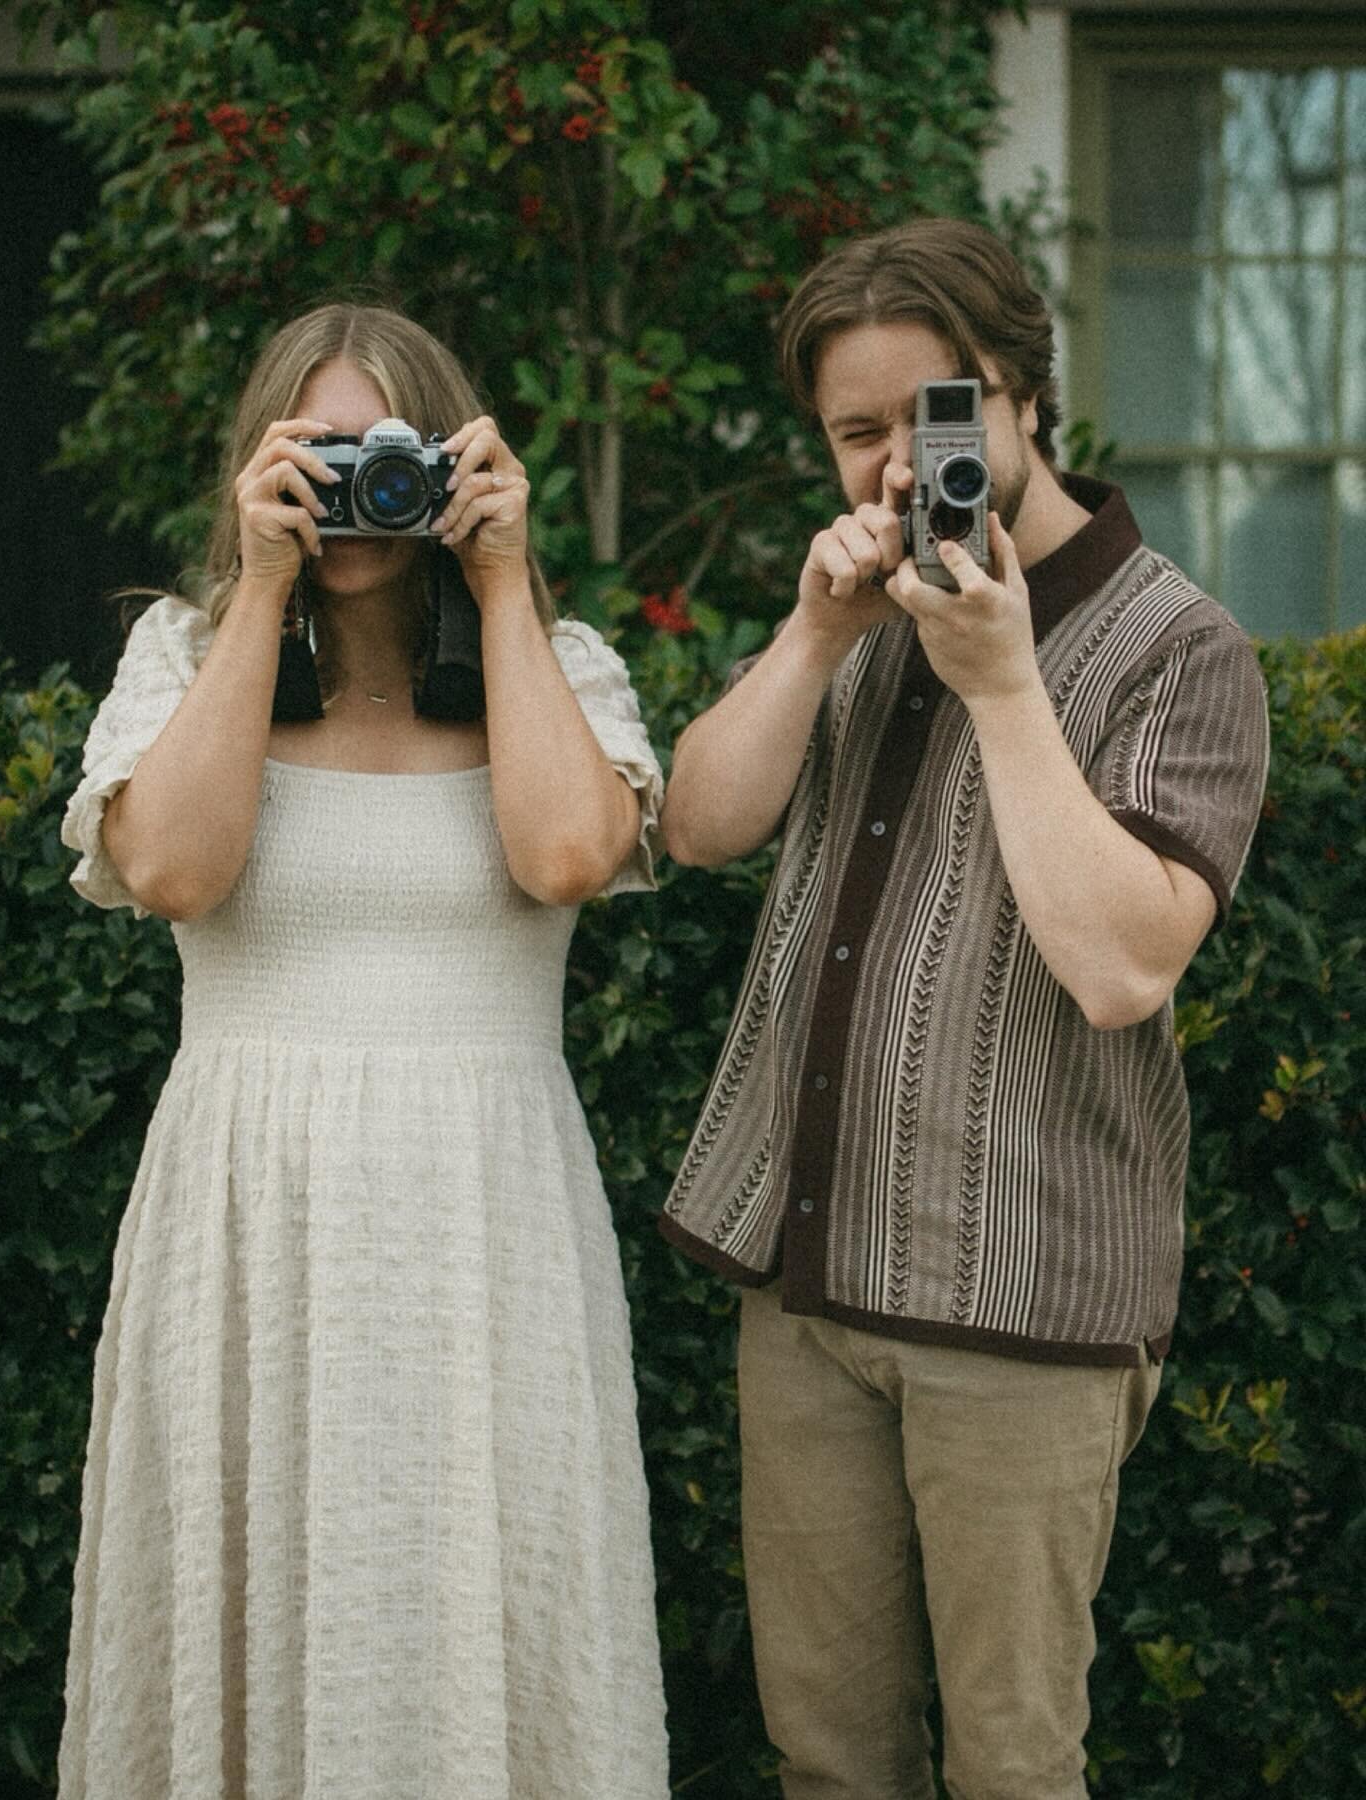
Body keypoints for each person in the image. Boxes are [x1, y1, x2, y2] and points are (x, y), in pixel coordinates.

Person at [658, 218, 1269, 1800]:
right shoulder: (863, 610)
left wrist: (1005, 682)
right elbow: (697, 824)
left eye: (931, 415)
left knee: (1012, 1767)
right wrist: (814, 634)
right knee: (829, 1762)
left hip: (1027, 1310)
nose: (890, 462)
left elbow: (1124, 962)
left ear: (1022, 396)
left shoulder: (1178, 646)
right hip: (807, 1289)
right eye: (854, 433)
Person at [59, 303, 670, 1799]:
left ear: (456, 461)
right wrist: (260, 587)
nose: (351, 492)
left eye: (382, 453)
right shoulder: (184, 658)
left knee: (492, 1608)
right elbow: (178, 875)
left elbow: (570, 852)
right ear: (260, 467)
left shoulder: (562, 663)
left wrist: (506, 578)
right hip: (248, 1227)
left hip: (491, 1228)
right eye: (316, 455)